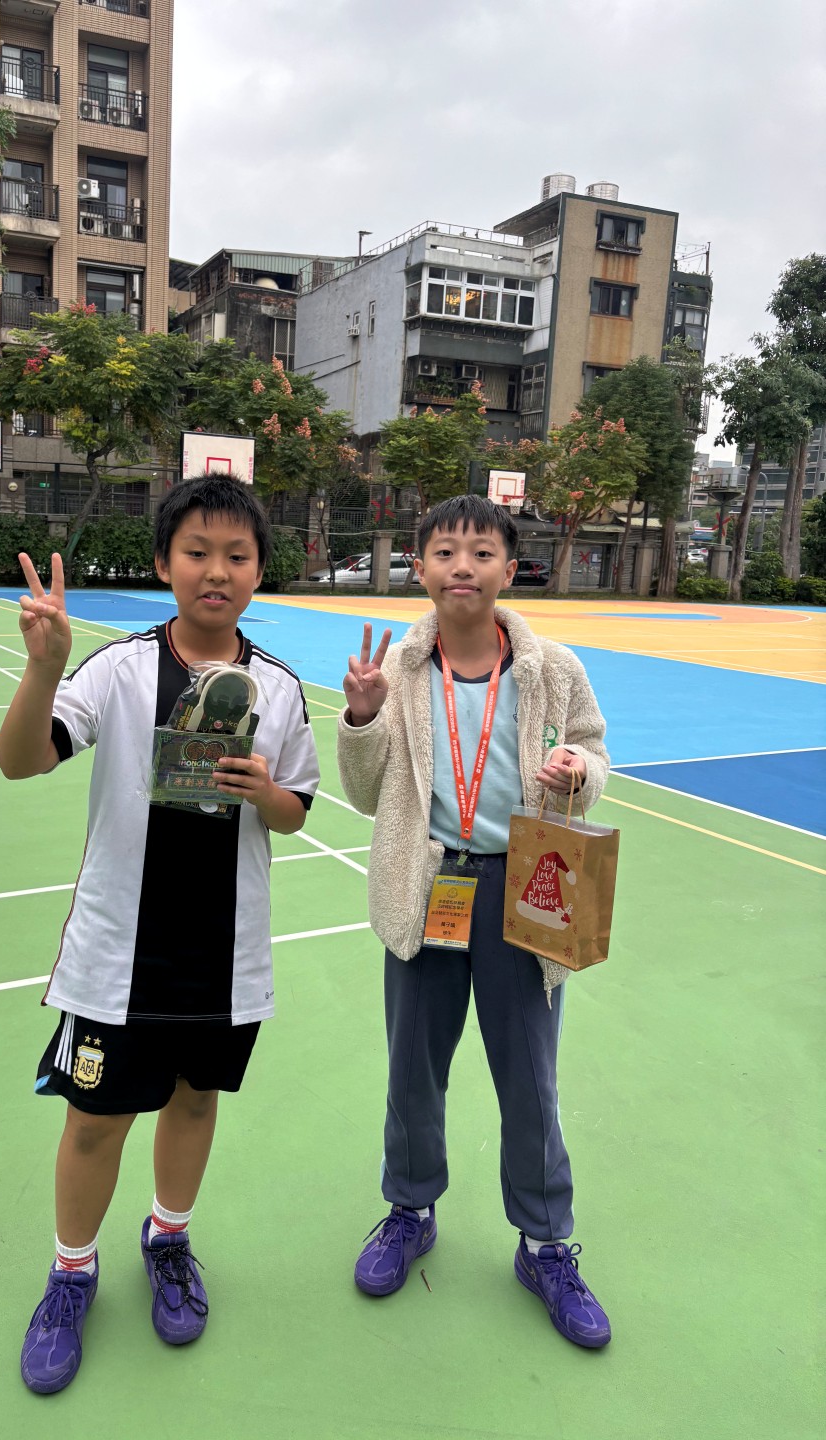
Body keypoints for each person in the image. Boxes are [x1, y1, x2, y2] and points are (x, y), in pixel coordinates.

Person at [0, 475, 320, 1394]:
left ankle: (168, 1238)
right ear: (162, 564)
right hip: (118, 954)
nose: (217, 571)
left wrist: (264, 793)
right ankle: (72, 1272)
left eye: (237, 555)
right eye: (197, 552)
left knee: (194, 1102)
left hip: (222, 956)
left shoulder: (279, 688)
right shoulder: (118, 670)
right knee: (94, 1122)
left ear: (258, 571)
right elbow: (21, 761)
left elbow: (297, 809)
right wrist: (43, 669)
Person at [337, 493, 612, 1348]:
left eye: (483, 552)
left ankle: (545, 1243)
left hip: (525, 888)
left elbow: (594, 749)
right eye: (446, 552)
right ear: (419, 567)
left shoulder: (552, 667)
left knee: (530, 1074)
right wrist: (361, 716)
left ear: (508, 569)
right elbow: (363, 792)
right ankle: (410, 1209)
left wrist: (578, 769)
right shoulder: (398, 671)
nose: (464, 566)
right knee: (413, 1068)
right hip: (426, 886)